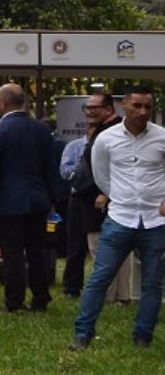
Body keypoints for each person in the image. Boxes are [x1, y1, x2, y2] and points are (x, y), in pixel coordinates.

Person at [71, 90, 165, 349]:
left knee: (153, 283)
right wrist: (120, 197)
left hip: (155, 221)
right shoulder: (106, 139)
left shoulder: (161, 137)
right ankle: (82, 334)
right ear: (125, 106)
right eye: (137, 105)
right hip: (120, 218)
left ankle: (143, 336)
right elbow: (101, 175)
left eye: (148, 106)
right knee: (100, 277)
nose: (143, 111)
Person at [0, 82, 61, 313]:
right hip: (37, 200)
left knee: (12, 252)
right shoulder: (42, 130)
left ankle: (15, 301)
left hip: (8, 202)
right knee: (37, 250)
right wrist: (51, 198)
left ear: (3, 102)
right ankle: (41, 298)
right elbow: (51, 169)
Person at [61, 91, 118, 296]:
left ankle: (109, 292)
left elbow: (112, 168)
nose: (90, 112)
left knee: (101, 247)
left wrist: (106, 192)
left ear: (109, 109)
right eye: (88, 108)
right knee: (77, 244)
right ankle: (75, 287)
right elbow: (68, 171)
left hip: (101, 199)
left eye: (95, 108)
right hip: (82, 197)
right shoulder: (76, 145)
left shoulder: (112, 133)